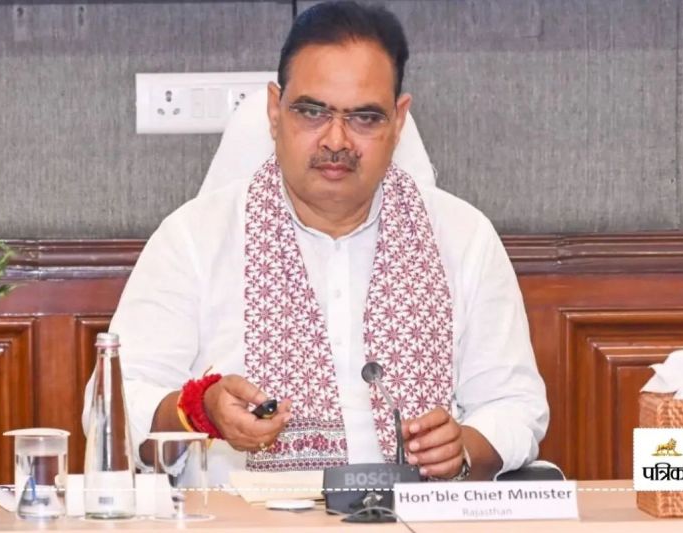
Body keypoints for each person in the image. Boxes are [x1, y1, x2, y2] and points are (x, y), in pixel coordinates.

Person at [83, 1, 548, 485]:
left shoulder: (464, 237)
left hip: (415, 514)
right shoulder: (194, 239)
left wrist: (463, 447)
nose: (336, 140)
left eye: (365, 117)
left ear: (398, 121)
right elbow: (113, 404)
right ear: (274, 110)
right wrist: (198, 410)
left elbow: (515, 404)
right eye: (312, 111)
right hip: (247, 516)